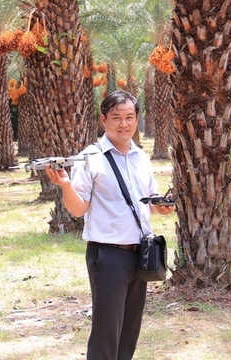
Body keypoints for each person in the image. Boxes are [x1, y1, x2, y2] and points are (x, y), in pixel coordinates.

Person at [45, 90, 175, 360]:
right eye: (116, 117)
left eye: (129, 117)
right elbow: (78, 208)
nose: (123, 124)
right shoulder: (91, 157)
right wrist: (66, 185)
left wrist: (162, 206)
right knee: (106, 334)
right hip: (108, 256)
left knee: (129, 333)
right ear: (103, 119)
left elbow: (148, 202)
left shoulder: (141, 157)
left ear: (137, 119)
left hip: (141, 255)